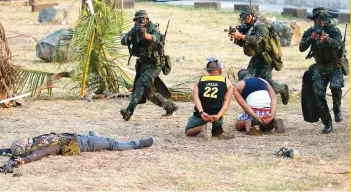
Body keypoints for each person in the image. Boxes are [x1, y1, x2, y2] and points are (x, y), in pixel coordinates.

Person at [120, 10, 177, 121]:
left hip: (155, 64)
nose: (140, 22)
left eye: (142, 19)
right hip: (143, 65)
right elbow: (123, 41)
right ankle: (170, 107)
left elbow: (158, 39)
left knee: (140, 84)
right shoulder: (134, 30)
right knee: (148, 92)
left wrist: (146, 36)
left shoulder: (152, 29)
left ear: (147, 20)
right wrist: (131, 37)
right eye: (138, 20)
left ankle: (129, 111)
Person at [0, 131, 154, 169]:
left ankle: (95, 137)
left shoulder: (33, 142)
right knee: (111, 143)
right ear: (25, 147)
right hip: (82, 143)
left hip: (77, 136)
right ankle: (138, 144)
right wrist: (24, 161)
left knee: (98, 138)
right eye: (22, 141)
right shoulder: (41, 148)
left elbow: (10, 150)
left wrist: (2, 151)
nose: (24, 138)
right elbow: (38, 155)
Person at [229, 9, 289, 105]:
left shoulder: (261, 26)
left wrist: (241, 36)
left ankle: (283, 88)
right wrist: (237, 36)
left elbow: (256, 39)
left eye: (247, 17)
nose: (244, 20)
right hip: (256, 57)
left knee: (266, 82)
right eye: (243, 18)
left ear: (252, 16)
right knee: (248, 79)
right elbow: (242, 43)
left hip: (267, 57)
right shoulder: (247, 27)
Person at [299, 7, 344, 134]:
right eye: (318, 19)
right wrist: (311, 39)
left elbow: (339, 45)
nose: (321, 21)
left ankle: (337, 109)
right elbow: (301, 48)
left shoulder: (334, 30)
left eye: (323, 18)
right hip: (319, 67)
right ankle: (327, 122)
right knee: (318, 95)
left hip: (334, 66)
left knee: (336, 87)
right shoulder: (310, 31)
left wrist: (327, 39)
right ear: (314, 20)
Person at [185, 58, 234, 138]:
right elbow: (227, 102)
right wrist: (218, 115)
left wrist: (202, 113)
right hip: (216, 117)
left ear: (207, 70)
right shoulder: (227, 82)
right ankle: (219, 128)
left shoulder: (200, 81)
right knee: (215, 130)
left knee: (188, 131)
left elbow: (196, 98)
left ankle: (202, 128)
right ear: (220, 70)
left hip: (200, 117)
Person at [234, 69, 280, 134]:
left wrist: (256, 117)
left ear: (239, 78)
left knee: (238, 125)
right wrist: (272, 113)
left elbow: (245, 106)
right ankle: (272, 121)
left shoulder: (239, 85)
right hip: (268, 111)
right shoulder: (263, 80)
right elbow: (274, 98)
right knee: (265, 128)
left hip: (255, 110)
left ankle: (246, 123)